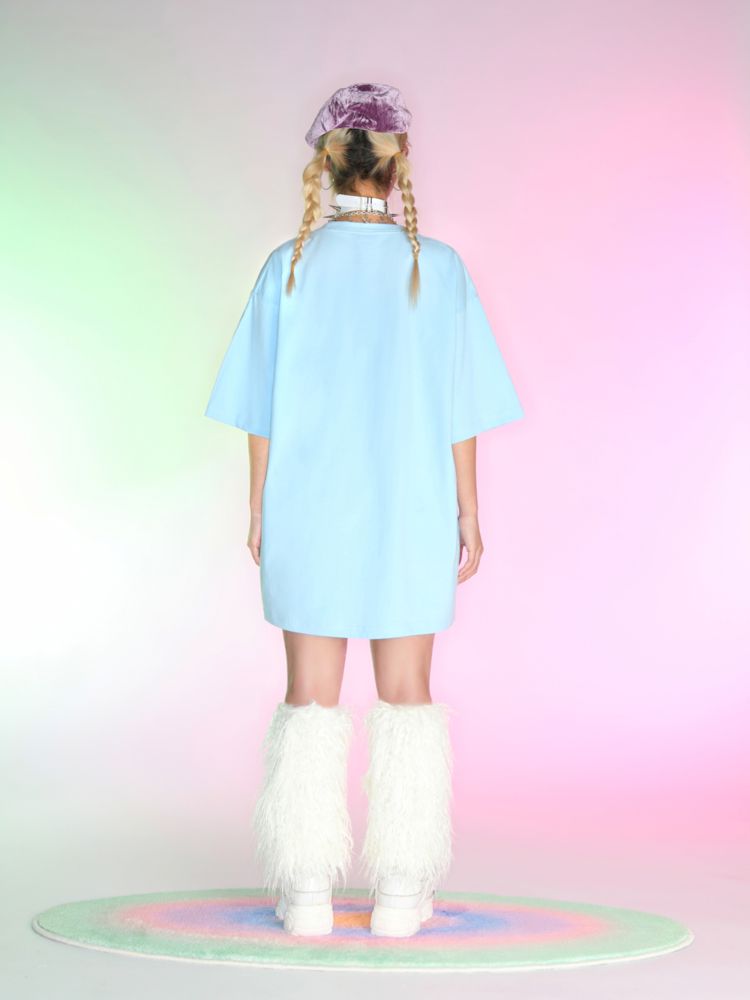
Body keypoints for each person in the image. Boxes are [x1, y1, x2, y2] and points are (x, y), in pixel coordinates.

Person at [204, 82, 524, 938]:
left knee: (309, 696)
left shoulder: (290, 266)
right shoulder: (438, 268)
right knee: (408, 694)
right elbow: (460, 407)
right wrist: (468, 511)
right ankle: (402, 890)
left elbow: (259, 408)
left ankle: (307, 888)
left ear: (325, 164)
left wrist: (259, 507)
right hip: (410, 508)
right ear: (396, 164)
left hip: (307, 505)